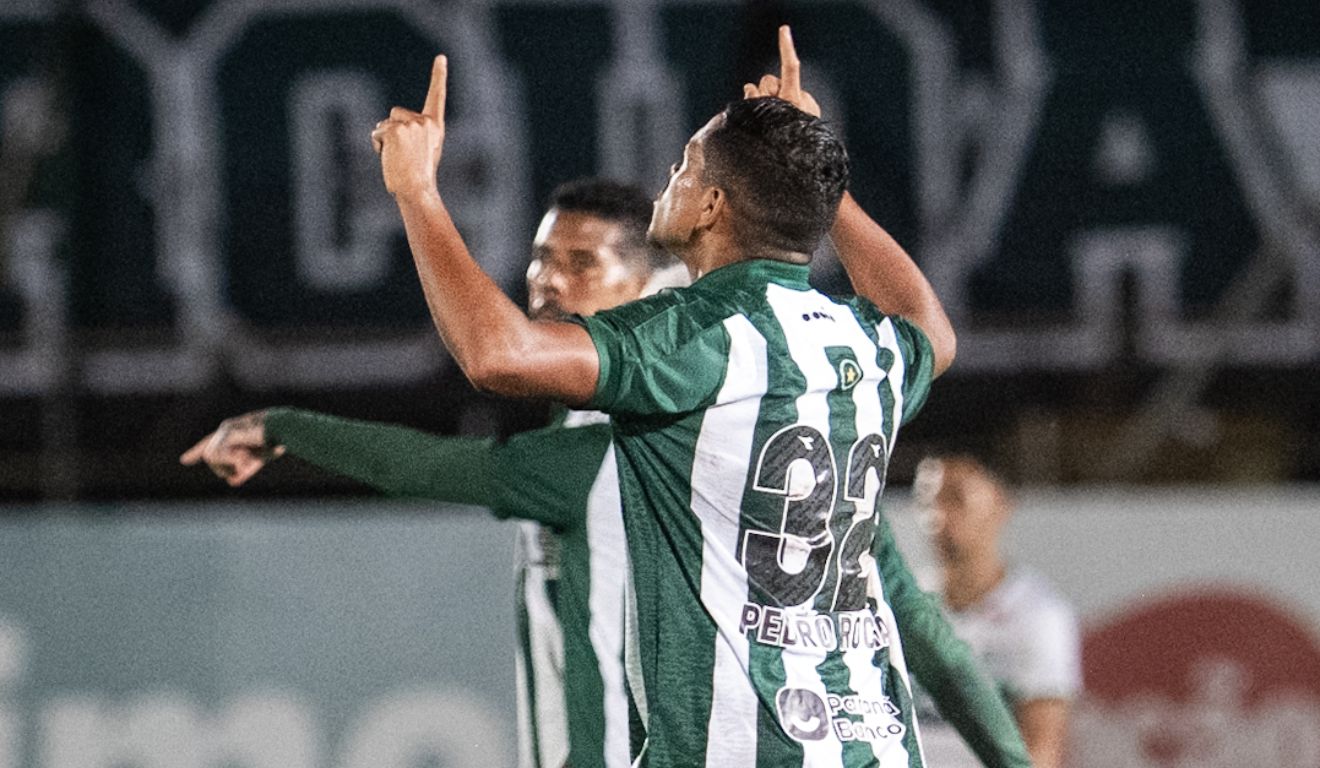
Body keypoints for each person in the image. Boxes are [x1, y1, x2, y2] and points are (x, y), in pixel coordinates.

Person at [369, 25, 1020, 766]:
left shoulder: (694, 336)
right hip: (873, 746)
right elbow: (932, 329)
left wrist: (417, 193)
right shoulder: (861, 342)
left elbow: (497, 354)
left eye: (682, 166)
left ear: (711, 207)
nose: (667, 179)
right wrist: (819, 191)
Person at [182, 178, 686, 768]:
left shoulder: (636, 438)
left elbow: (424, 463)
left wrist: (282, 427)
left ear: (647, 283)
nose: (549, 279)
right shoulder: (586, 412)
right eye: (541, 258)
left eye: (582, 263)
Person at [912, 454, 1082, 768]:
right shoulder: (905, 603)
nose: (937, 516)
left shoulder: (1040, 615)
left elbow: (1042, 750)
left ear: (1001, 504)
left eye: (956, 498)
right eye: (926, 499)